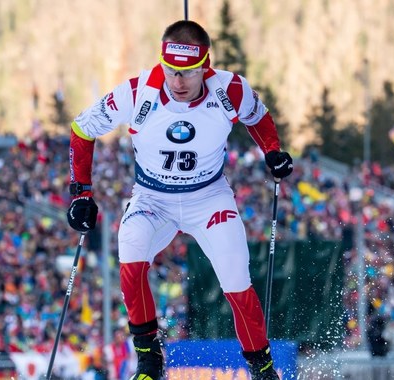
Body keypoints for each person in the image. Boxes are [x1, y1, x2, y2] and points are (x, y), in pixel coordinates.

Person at [66, 20, 293, 380]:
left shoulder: (229, 89)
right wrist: (81, 192)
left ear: (205, 65)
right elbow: (82, 128)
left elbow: (259, 117)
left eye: (187, 72)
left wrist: (273, 151)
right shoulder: (138, 91)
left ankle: (262, 370)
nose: (178, 82)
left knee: (236, 277)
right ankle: (149, 362)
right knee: (130, 247)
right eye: (171, 71)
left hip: (209, 198)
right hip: (153, 198)